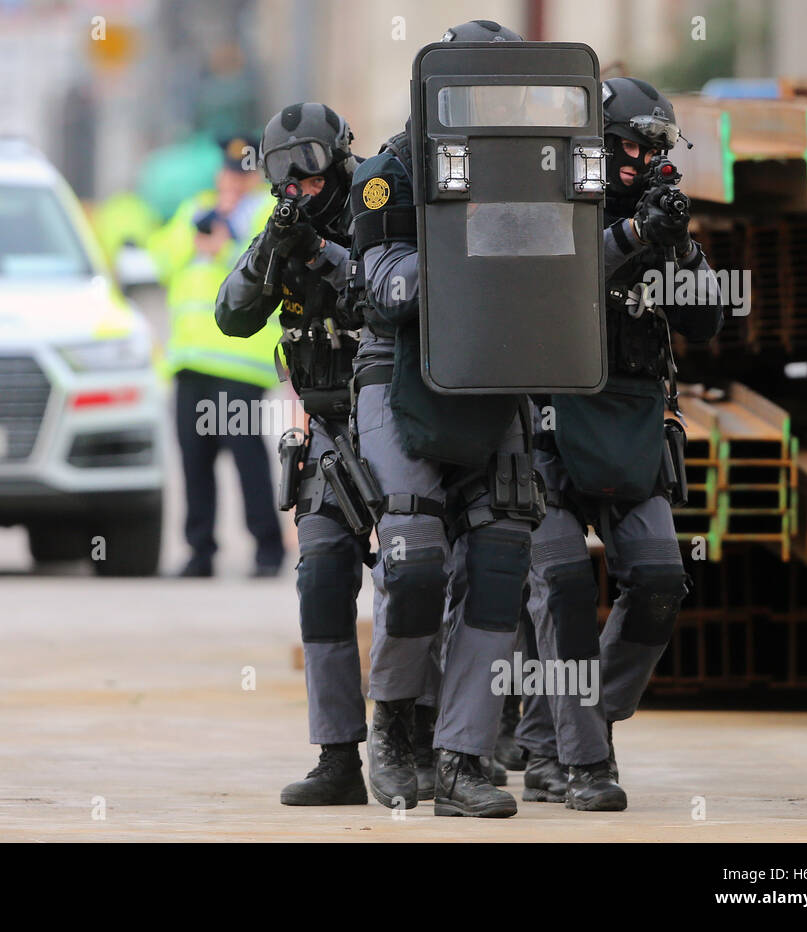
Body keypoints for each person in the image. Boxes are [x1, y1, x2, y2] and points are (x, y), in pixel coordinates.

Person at [349, 19, 544, 818]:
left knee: (499, 567)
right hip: (402, 376)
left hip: (499, 374)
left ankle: (461, 757)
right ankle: (394, 725)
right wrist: (478, 248)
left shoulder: (540, 171)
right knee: (415, 561)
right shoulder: (389, 173)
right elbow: (386, 286)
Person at [521, 76, 727, 809]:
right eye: (631, 144)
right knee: (566, 585)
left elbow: (705, 324)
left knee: (662, 580)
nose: (641, 159)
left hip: (632, 428)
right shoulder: (550, 205)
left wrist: (679, 249)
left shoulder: (657, 216)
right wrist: (631, 237)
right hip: (544, 430)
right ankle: (584, 765)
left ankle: (573, 728)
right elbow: (555, 286)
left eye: (653, 148)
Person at [216, 103, 370, 805]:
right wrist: (273, 250)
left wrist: (323, 254)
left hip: (398, 423)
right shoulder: (282, 223)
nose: (296, 193)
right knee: (321, 582)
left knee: (416, 582)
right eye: (284, 181)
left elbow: (394, 293)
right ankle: (338, 756)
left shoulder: (380, 208)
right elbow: (232, 315)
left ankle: (427, 740)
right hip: (328, 433)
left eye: (307, 178)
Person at [147, 137, 286, 578]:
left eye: (243, 173)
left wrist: (227, 240)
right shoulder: (195, 210)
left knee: (247, 459)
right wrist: (196, 239)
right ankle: (200, 551)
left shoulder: (267, 213)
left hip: (239, 365)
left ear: (257, 176)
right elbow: (160, 260)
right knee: (194, 460)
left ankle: (267, 549)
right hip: (190, 364)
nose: (233, 181)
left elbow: (267, 267)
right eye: (228, 172)